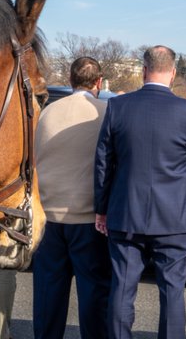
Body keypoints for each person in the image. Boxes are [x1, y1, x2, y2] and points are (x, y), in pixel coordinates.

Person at [94, 45, 186, 339]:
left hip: (126, 211)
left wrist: (101, 208)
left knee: (123, 286)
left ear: (143, 71)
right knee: (172, 290)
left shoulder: (118, 107)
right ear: (172, 74)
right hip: (174, 215)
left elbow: (103, 162)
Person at [32, 57, 110, 339]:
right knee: (94, 295)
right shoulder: (105, 112)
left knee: (48, 296)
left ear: (70, 80)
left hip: (48, 216)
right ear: (98, 83)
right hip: (88, 217)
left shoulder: (47, 112)